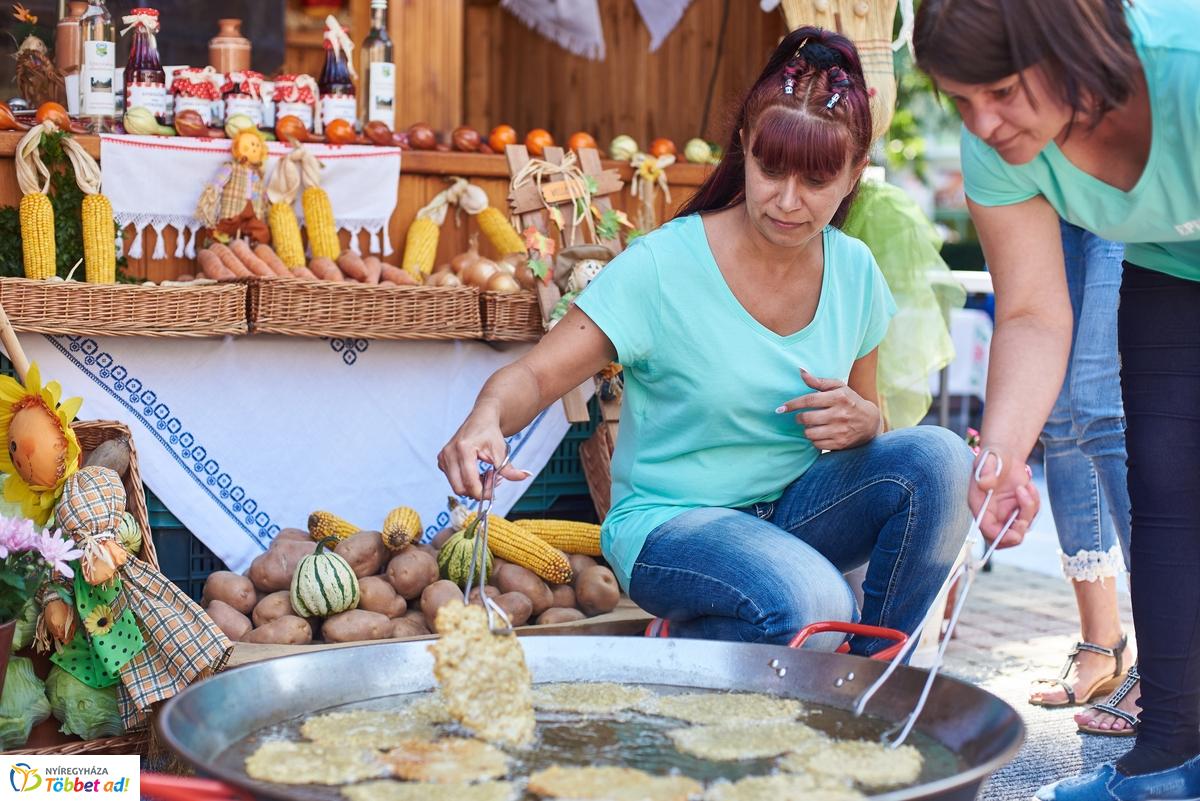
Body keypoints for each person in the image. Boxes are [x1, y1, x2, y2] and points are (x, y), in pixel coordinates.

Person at [438, 26, 972, 655]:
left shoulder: (854, 271)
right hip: (673, 527)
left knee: (942, 460)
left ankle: (871, 685)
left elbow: (868, 419)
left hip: (799, 513)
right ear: (744, 143)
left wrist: (865, 422)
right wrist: (485, 417)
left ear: (856, 172)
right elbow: (533, 377)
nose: (788, 202)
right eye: (771, 171)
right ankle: (707, 639)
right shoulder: (663, 267)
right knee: (816, 607)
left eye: (818, 182)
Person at [914, 0, 1200, 796]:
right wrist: (1001, 454)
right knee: (1166, 487)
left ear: (1068, 45)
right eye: (961, 100)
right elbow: (1035, 313)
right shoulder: (994, 143)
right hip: (1173, 264)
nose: (984, 122)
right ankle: (1169, 759)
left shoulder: (1187, 67)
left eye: (1000, 90)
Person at [1027, 223, 1139, 738]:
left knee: (1099, 399)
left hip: (1121, 186)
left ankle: (1174, 657)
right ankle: (1104, 643)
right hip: (1054, 200)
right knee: (1059, 414)